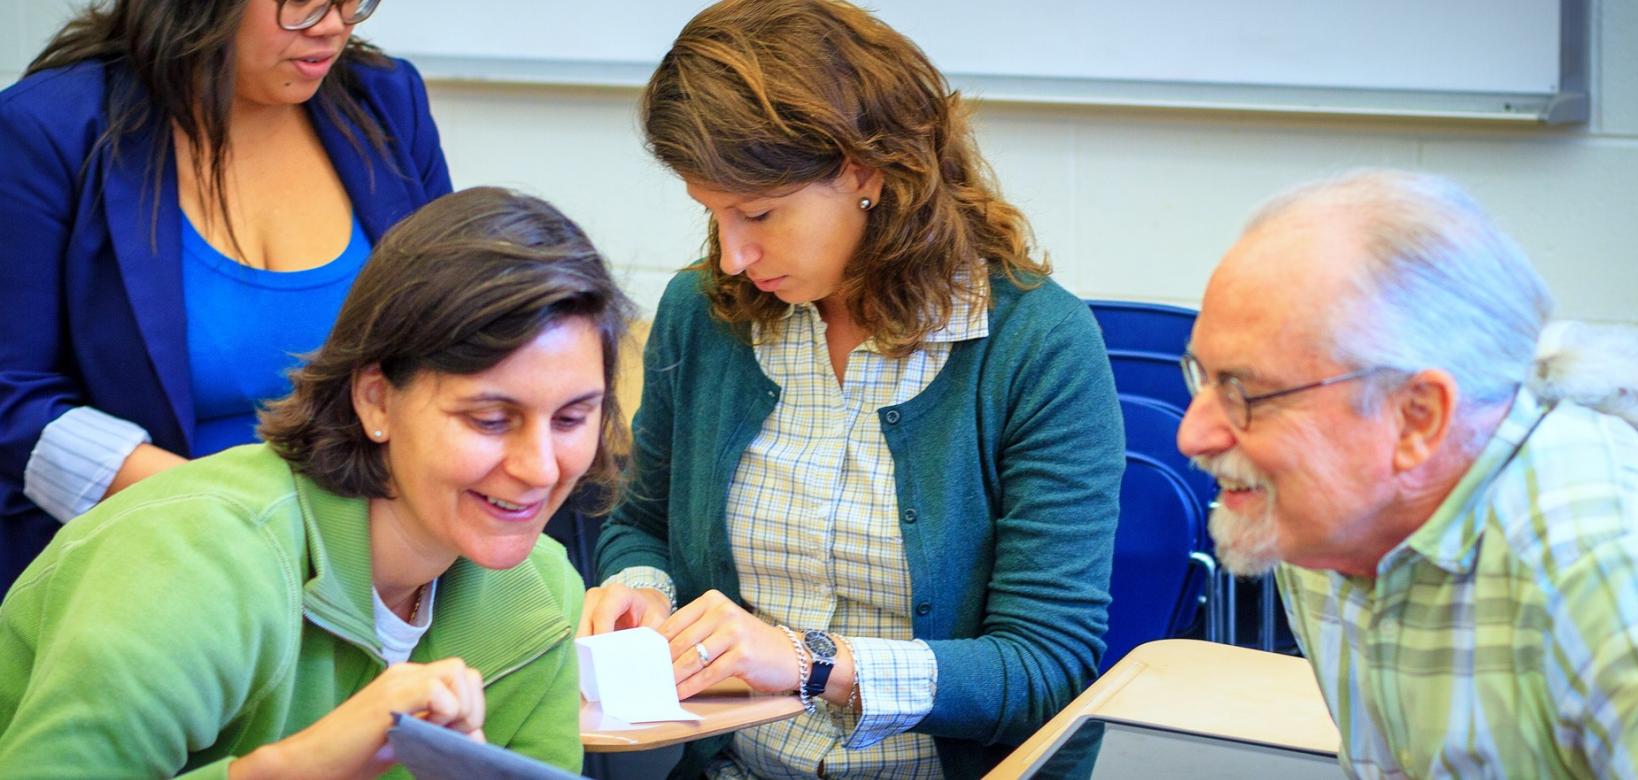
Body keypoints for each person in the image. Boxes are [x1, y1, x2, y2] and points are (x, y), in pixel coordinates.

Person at [581, 1, 1123, 777]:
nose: (733, 256)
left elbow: (1045, 668)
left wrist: (813, 663)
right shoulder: (702, 316)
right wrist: (643, 592)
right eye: (714, 216)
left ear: (866, 171)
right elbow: (642, 525)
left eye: (758, 213)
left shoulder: (1036, 345)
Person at [0, 186, 631, 777]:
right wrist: (286, 768)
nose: (541, 467)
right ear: (377, 400)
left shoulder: (542, 595)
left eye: (572, 418)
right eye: (491, 420)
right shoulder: (199, 559)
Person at [1176, 168, 1638, 777]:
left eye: (1245, 391)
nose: (1193, 433)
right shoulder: (1321, 520)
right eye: (1203, 376)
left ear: (1416, 418)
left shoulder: (1613, 572)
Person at [0, 0, 453, 591]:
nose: (333, 23)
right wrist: (243, 521)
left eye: (352, 0)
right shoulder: (49, 130)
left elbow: (454, 333)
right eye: (301, 1)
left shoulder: (386, 100)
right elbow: (13, 396)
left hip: (379, 562)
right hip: (146, 564)